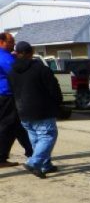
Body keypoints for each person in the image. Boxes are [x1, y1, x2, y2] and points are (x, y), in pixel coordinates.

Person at [7, 40, 62, 178]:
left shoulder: (12, 72)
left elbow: (12, 91)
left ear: (17, 53)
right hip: (41, 110)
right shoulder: (40, 69)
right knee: (48, 136)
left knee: (36, 138)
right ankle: (34, 162)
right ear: (30, 53)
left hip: (23, 111)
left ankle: (45, 164)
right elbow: (53, 88)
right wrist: (58, 102)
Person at [0, 32, 33, 167]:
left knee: (17, 125)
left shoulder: (7, 56)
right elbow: (19, 72)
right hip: (7, 95)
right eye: (11, 41)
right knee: (7, 126)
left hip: (6, 95)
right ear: (2, 42)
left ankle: (31, 152)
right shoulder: (5, 58)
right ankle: (1, 157)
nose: (13, 44)